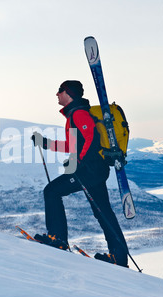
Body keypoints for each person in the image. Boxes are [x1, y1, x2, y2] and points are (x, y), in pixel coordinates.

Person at [31, 80, 129, 267]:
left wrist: (77, 162)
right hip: (94, 169)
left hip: (88, 170)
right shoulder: (74, 115)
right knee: (103, 211)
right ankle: (119, 257)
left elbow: (90, 139)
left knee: (51, 191)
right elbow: (73, 145)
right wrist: (46, 144)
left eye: (59, 91)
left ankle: (58, 238)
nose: (57, 94)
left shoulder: (79, 114)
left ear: (68, 93)